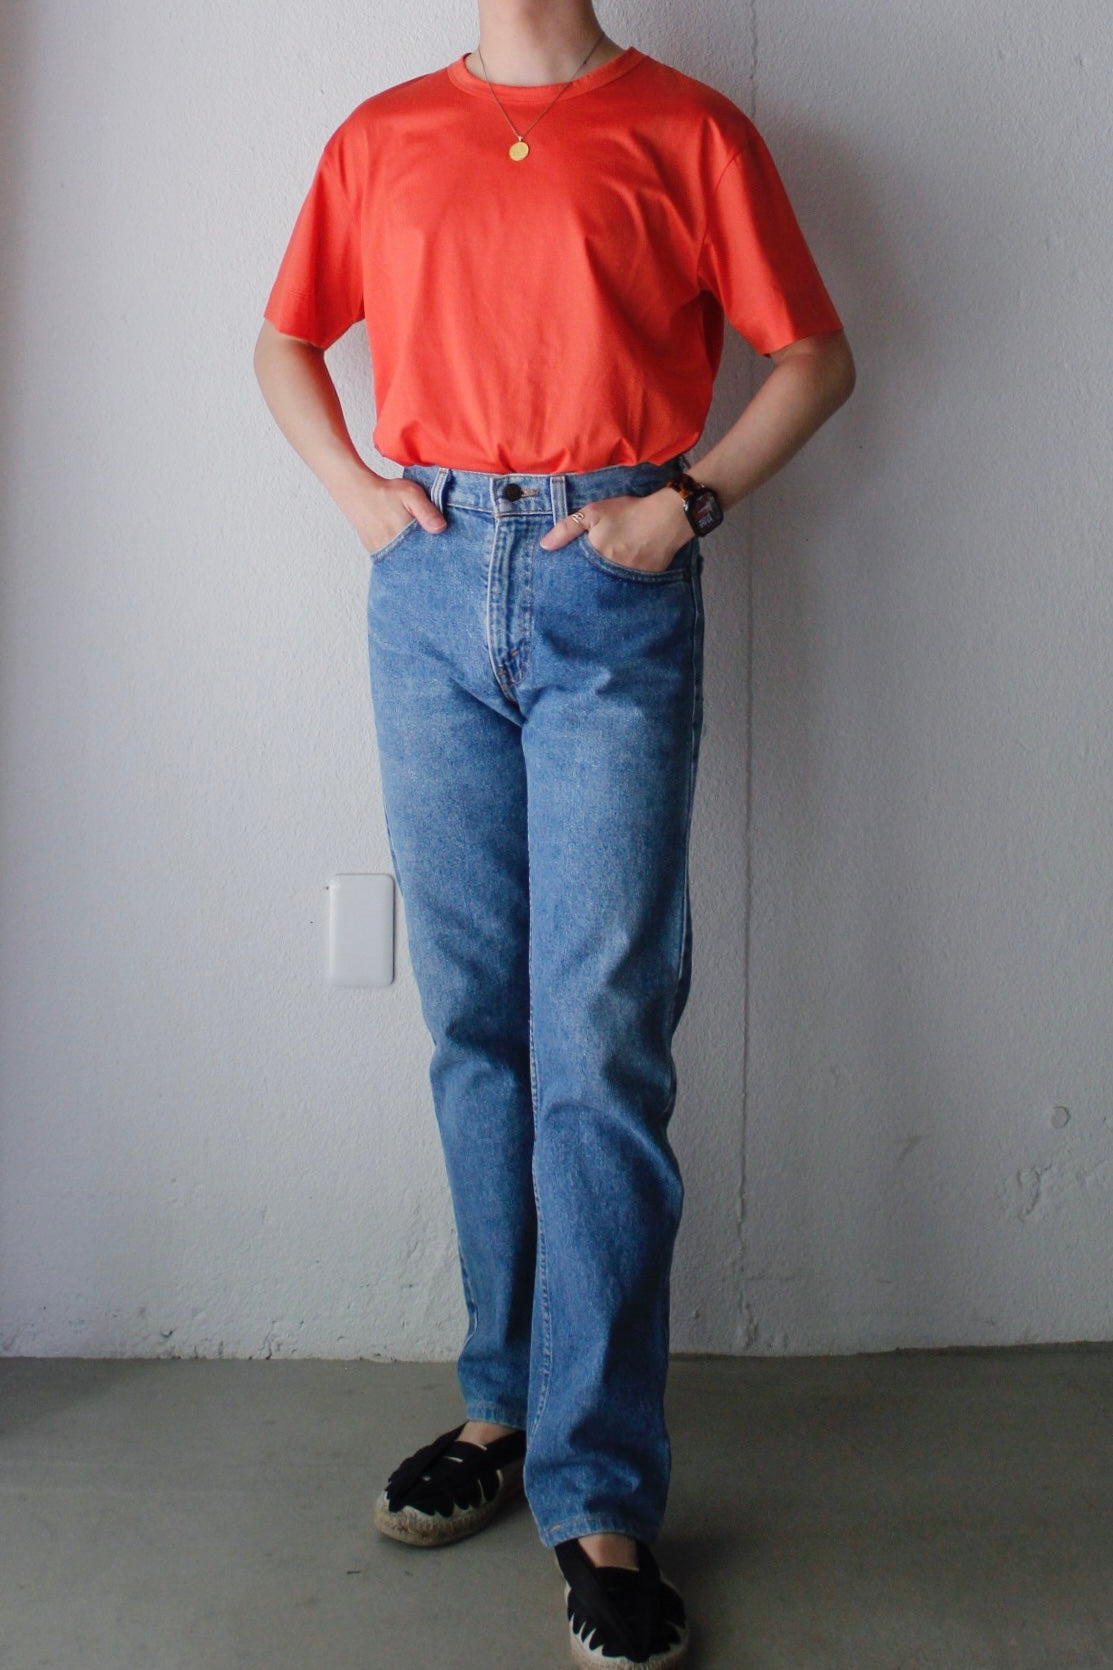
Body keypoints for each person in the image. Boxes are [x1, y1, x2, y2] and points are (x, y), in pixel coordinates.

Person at [255, 2, 854, 1663]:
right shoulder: (383, 136)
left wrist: (686, 502)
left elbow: (815, 356)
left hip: (612, 578)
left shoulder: (687, 131)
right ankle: (501, 1403)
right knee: (478, 1021)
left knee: (599, 1038)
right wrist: (367, 501)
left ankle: (596, 1490)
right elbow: (285, 342)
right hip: (429, 583)